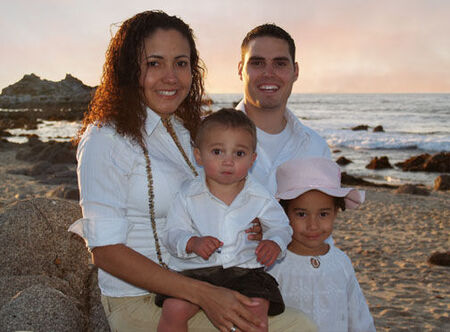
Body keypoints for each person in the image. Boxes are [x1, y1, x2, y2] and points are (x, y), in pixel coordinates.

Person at [68, 10, 316, 332]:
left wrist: (247, 220)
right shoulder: (106, 138)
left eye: (181, 63)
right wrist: (206, 294)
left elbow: (218, 192)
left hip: (203, 282)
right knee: (300, 328)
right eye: (154, 63)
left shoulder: (187, 132)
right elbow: (105, 253)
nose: (170, 77)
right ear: (129, 69)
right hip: (141, 299)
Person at [157, 109, 292, 332]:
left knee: (256, 308)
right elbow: (172, 232)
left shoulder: (260, 196)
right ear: (199, 156)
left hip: (245, 271)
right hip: (197, 272)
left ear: (252, 159)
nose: (228, 161)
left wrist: (274, 242)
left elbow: (281, 226)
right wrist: (192, 242)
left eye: (239, 154)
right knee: (174, 308)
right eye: (217, 151)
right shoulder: (188, 194)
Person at [268, 157, 376, 331]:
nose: (313, 225)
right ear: (285, 214)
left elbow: (358, 315)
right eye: (302, 214)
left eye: (323, 214)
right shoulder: (274, 264)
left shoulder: (341, 262)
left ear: (335, 213)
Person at [236, 24, 331, 194]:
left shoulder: (316, 148)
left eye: (280, 64)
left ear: (295, 71)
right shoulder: (202, 138)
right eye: (257, 63)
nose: (269, 73)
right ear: (240, 70)